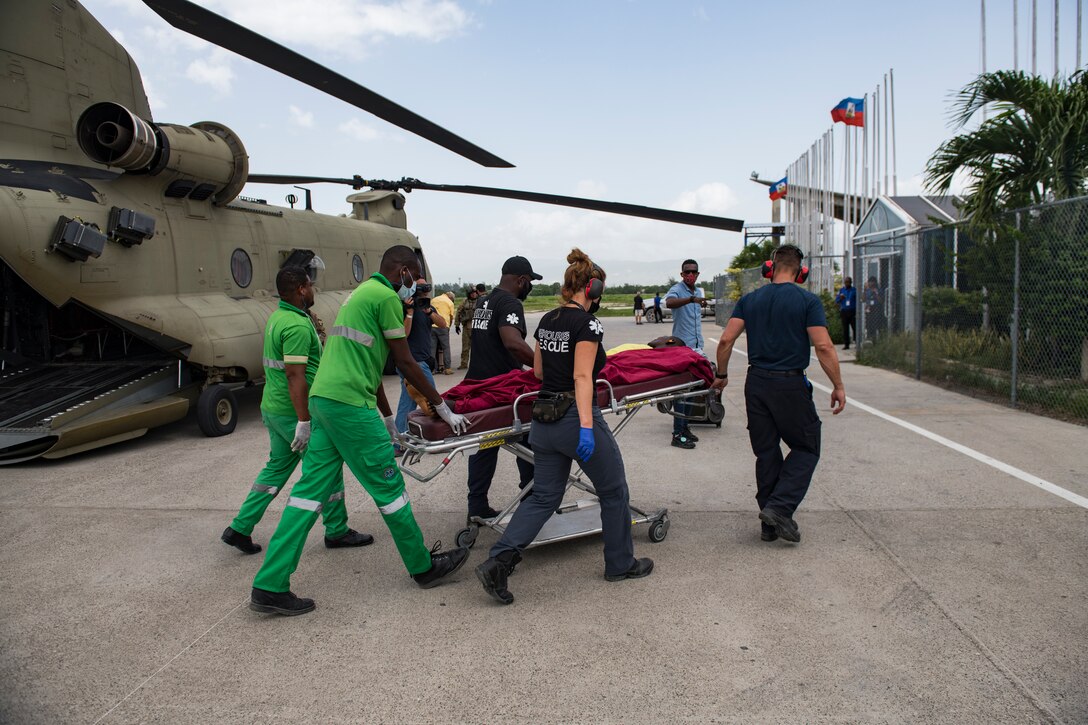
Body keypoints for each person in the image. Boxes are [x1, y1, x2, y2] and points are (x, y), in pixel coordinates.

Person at [249, 245, 472, 616]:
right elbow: (405, 361)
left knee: (307, 494)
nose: (413, 288)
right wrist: (441, 406)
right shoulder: (385, 297)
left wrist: (387, 417)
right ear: (400, 270)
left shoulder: (360, 295)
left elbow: (364, 364)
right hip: (350, 406)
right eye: (413, 279)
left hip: (325, 399)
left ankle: (270, 584)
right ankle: (422, 567)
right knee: (389, 488)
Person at [475, 249, 653, 605]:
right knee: (614, 490)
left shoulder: (548, 320)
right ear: (593, 286)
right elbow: (583, 376)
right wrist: (587, 428)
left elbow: (539, 372)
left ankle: (499, 561)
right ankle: (620, 563)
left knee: (543, 496)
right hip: (575, 419)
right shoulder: (587, 324)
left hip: (544, 421)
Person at [221, 266, 373, 555]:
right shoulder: (297, 326)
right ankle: (337, 530)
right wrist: (304, 420)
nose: (314, 290)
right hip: (294, 412)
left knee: (277, 467)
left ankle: (240, 527)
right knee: (326, 467)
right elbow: (295, 375)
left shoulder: (278, 317)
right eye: (311, 285)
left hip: (274, 408)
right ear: (302, 289)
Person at [711, 244, 846, 544]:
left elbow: (725, 341)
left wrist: (721, 374)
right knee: (807, 447)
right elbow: (823, 346)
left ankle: (769, 522)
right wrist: (837, 384)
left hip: (756, 383)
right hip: (789, 385)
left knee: (767, 451)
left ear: (769, 269)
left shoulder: (750, 300)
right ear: (801, 272)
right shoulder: (807, 301)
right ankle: (780, 509)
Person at [464, 257, 540, 520]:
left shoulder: (484, 301)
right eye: (529, 282)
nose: (529, 287)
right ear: (521, 280)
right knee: (531, 439)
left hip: (478, 384)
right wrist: (543, 367)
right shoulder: (510, 303)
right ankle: (532, 503)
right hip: (502, 390)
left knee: (485, 447)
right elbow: (513, 343)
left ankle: (477, 506)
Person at [664, 259, 708, 449]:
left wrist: (695, 299)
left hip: (697, 347)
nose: (690, 275)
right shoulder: (678, 289)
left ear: (698, 274)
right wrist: (690, 300)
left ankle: (685, 427)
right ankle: (677, 434)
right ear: (682, 274)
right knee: (681, 391)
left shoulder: (698, 291)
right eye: (687, 272)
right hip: (682, 348)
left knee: (693, 390)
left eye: (694, 272)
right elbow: (669, 302)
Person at [395, 278, 447, 435]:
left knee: (407, 403)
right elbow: (403, 334)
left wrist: (430, 312)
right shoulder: (404, 308)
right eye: (421, 286)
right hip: (414, 362)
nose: (425, 289)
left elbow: (443, 324)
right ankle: (438, 436)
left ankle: (399, 442)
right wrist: (409, 313)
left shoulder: (427, 307)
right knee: (434, 401)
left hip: (418, 361)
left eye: (426, 286)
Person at [431, 289, 456, 374]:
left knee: (432, 348)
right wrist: (448, 327)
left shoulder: (433, 300)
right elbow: (451, 316)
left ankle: (432, 369)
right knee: (446, 348)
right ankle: (447, 368)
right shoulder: (450, 302)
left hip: (431, 326)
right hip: (443, 326)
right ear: (451, 298)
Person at [455, 286, 479, 369]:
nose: (474, 294)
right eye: (472, 293)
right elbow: (458, 312)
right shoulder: (464, 302)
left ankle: (477, 363)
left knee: (477, 347)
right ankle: (464, 363)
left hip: (477, 327)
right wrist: (457, 325)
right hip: (466, 326)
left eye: (475, 293)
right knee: (465, 347)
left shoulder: (480, 301)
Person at [835, 277, 857, 350]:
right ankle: (846, 344)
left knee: (854, 327)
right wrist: (840, 298)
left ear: (851, 282)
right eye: (846, 282)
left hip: (852, 310)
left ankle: (857, 341)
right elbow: (837, 300)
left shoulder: (854, 290)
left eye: (848, 282)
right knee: (845, 328)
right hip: (844, 311)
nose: (847, 283)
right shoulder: (842, 290)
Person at [863, 276, 882, 343]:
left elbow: (881, 301)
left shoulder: (878, 290)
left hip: (876, 308)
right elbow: (863, 299)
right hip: (869, 308)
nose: (871, 283)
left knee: (875, 325)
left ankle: (876, 339)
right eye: (869, 282)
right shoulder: (867, 290)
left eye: (872, 282)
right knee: (868, 324)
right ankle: (869, 337)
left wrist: (876, 293)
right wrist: (865, 290)